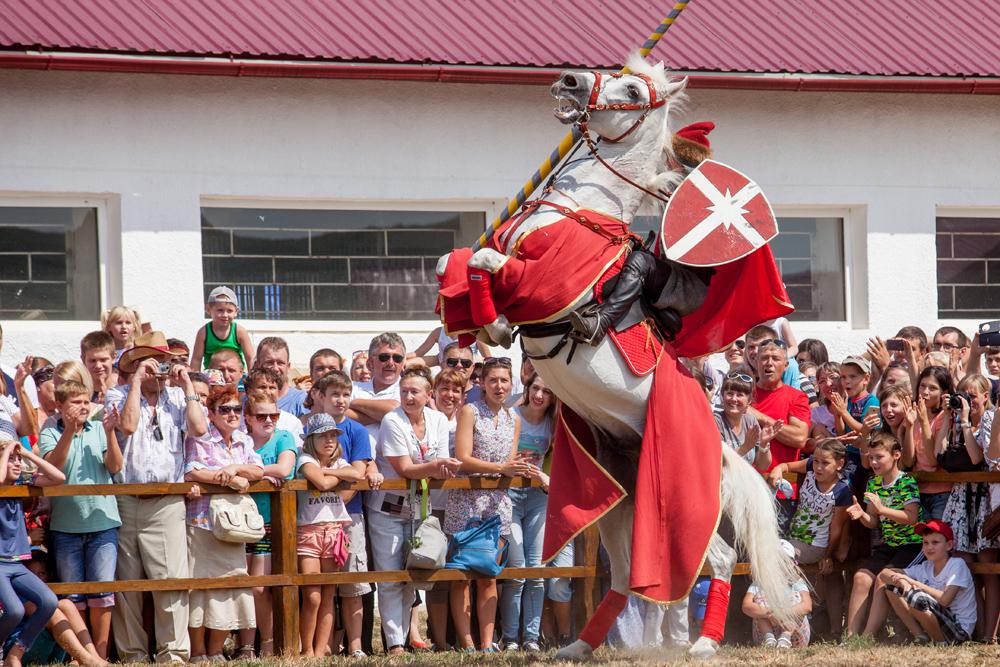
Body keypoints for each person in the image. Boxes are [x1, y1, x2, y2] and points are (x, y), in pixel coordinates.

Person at [106, 332, 208, 663]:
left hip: (167, 500)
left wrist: (188, 385)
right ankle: (132, 654)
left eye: (162, 362)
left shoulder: (178, 399)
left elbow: (200, 428)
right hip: (125, 498)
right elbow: (129, 426)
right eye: (150, 362)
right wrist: (136, 382)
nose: (158, 370)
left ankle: (173, 654)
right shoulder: (116, 393)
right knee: (128, 586)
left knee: (172, 583)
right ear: (134, 365)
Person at [368, 368, 460, 655]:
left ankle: (406, 636)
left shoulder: (438, 420)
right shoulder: (391, 420)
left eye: (414, 391)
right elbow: (405, 469)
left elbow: (443, 464)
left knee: (414, 572)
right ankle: (394, 642)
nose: (408, 396)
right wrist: (434, 467)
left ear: (428, 394)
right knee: (391, 574)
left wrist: (438, 467)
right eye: (404, 391)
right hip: (388, 508)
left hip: (421, 507)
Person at [446, 357, 530, 652]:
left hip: (498, 504)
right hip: (467, 501)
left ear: (511, 384)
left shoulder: (514, 419)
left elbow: (512, 462)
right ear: (481, 382)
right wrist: (501, 469)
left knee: (489, 574)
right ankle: (466, 641)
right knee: (461, 575)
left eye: (504, 380)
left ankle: (486, 642)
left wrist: (518, 470)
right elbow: (463, 458)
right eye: (493, 380)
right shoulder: (469, 411)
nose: (499, 386)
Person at [39, 381, 123, 659]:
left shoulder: (99, 428)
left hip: (103, 521)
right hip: (65, 525)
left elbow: (115, 467)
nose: (84, 407)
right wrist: (69, 433)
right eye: (76, 402)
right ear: (61, 407)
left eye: (86, 401)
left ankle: (99, 655)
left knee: (102, 595)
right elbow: (55, 468)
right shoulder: (50, 431)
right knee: (74, 598)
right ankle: (81, 657)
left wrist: (110, 433)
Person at [183, 385, 263, 661]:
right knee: (199, 588)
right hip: (202, 523)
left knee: (230, 588)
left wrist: (235, 469)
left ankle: (216, 649)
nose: (232, 414)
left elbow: (258, 469)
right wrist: (226, 477)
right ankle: (198, 651)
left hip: (234, 526)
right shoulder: (200, 438)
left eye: (236, 409)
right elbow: (192, 470)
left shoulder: (244, 440)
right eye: (225, 409)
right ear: (212, 413)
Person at [313, 371, 381, 658]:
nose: (340, 400)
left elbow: (358, 471)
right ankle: (325, 644)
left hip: (349, 514)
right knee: (323, 585)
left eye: (345, 395)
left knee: (353, 581)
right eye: (334, 395)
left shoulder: (356, 430)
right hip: (314, 515)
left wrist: (338, 496)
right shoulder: (311, 428)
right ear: (321, 397)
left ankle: (355, 645)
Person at [937, 374, 999, 641]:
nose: (967, 401)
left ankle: (990, 633)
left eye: (972, 395)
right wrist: (946, 416)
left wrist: (964, 422)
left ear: (986, 396)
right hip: (961, 499)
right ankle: (973, 627)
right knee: (965, 567)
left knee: (988, 568)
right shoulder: (955, 419)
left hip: (984, 499)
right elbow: (940, 455)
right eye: (963, 395)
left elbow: (977, 457)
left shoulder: (989, 420)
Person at [295, 413, 363, 657]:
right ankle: (306, 649)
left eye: (333, 435)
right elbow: (320, 483)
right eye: (323, 435)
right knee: (311, 594)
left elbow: (357, 474)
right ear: (311, 439)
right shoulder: (304, 459)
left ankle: (320, 650)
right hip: (309, 530)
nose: (329, 440)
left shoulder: (340, 462)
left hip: (335, 531)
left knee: (328, 593)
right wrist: (334, 476)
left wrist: (328, 472)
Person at [768, 439, 851, 636]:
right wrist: (778, 470)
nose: (819, 467)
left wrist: (827, 556)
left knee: (779, 553)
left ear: (839, 464)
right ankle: (787, 615)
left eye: (825, 463)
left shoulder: (841, 492)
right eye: (816, 461)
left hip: (816, 545)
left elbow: (837, 528)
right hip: (794, 539)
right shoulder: (809, 470)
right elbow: (786, 465)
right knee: (777, 552)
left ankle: (797, 612)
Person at [845, 432, 923, 637]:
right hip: (889, 544)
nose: (873, 462)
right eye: (870, 457)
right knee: (861, 577)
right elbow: (873, 522)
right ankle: (851, 636)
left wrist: (881, 509)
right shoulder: (873, 483)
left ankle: (867, 637)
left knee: (882, 578)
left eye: (879, 457)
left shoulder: (906, 482)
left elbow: (912, 517)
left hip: (912, 545)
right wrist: (862, 514)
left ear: (896, 455)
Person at [501, 373, 556, 652]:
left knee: (537, 569)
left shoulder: (552, 423)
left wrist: (544, 477)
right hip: (510, 496)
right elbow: (502, 458)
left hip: (537, 498)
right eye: (535, 388)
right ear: (527, 388)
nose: (539, 395)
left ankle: (531, 637)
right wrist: (532, 471)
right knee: (517, 568)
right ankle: (510, 637)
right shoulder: (512, 416)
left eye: (546, 391)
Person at [242, 391, 296, 658]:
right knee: (243, 585)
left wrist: (249, 471)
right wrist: (265, 470)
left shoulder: (283, 437)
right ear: (248, 418)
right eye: (261, 415)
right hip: (241, 522)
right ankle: (247, 645)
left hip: (272, 522)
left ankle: (268, 643)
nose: (268, 420)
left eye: (273, 415)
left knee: (260, 586)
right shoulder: (242, 440)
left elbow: (285, 469)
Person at [0, 441, 64, 667]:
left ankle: (15, 654)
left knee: (49, 601)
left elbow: (59, 478)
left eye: (18, 461)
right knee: (15, 611)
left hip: (17, 563)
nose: (16, 464)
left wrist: (26, 453)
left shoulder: (21, 484)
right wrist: (6, 449)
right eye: (11, 460)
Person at [877, 520, 977, 644]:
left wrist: (914, 583)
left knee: (916, 596)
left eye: (935, 542)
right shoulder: (926, 566)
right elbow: (885, 573)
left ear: (949, 545)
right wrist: (903, 581)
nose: (929, 547)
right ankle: (921, 637)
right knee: (891, 588)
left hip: (959, 631)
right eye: (925, 543)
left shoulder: (957, 565)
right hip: (939, 624)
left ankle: (941, 643)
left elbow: (945, 600)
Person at [748, 337, 810, 532]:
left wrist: (758, 416)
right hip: (745, 488)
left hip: (780, 490)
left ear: (785, 364)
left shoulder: (796, 396)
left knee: (777, 549)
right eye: (764, 357)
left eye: (775, 358)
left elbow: (799, 438)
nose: (769, 363)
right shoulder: (741, 395)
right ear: (755, 362)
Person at [741, 541, 811, 648]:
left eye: (784, 561)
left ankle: (785, 637)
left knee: (795, 601)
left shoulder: (796, 582)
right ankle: (769, 639)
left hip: (795, 636)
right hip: (765, 632)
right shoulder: (760, 582)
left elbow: (807, 606)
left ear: (792, 563)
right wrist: (771, 613)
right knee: (759, 601)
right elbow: (746, 606)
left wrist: (783, 613)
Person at [714, 370, 777, 472]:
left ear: (749, 401)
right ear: (722, 396)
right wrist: (745, 447)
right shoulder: (715, 421)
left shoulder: (750, 421)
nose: (734, 399)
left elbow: (763, 466)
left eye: (739, 395)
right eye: (730, 393)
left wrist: (764, 444)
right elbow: (719, 463)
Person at [914, 366, 954, 520]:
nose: (925, 392)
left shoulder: (945, 416)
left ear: (944, 393)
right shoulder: (915, 413)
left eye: (932, 388)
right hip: (918, 489)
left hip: (941, 491)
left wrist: (924, 421)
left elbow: (932, 462)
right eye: (922, 386)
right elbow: (908, 460)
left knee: (938, 538)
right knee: (923, 541)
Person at [190, 286, 255, 372]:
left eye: (229, 311)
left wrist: (253, 380)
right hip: (212, 378)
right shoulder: (204, 333)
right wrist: (195, 381)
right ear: (208, 309)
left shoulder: (239, 332)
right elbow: (196, 359)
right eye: (220, 310)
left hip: (235, 376)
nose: (225, 315)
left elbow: (250, 358)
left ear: (236, 312)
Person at [243, 368, 304, 446]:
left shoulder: (292, 422)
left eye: (272, 388)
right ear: (248, 391)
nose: (268, 392)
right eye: (262, 387)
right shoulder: (235, 418)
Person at [255, 337, 306, 417]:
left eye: (280, 363)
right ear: (257, 365)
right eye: (269, 362)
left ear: (288, 367)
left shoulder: (302, 401)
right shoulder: (246, 402)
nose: (275, 368)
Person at [828, 356, 878, 436]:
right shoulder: (847, 401)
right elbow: (841, 434)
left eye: (852, 376)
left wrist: (844, 412)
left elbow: (868, 432)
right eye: (843, 377)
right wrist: (837, 415)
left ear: (866, 379)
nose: (847, 381)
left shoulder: (872, 402)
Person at [79, 332, 116, 402]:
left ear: (113, 358)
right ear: (83, 360)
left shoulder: (124, 389)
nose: (98, 366)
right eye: (92, 361)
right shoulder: (77, 392)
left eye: (103, 360)